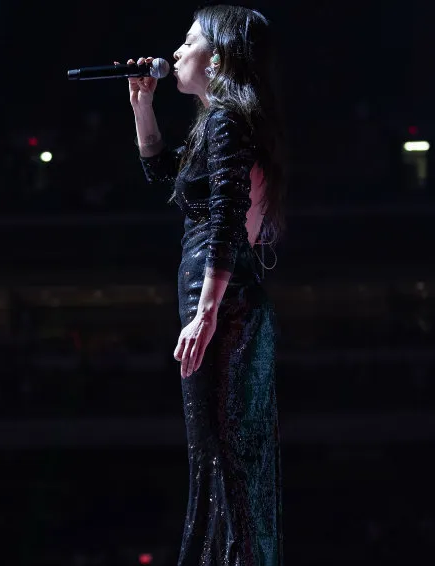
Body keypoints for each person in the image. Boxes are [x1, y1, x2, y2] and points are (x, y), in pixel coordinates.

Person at [123, 5, 286, 565]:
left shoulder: (227, 122)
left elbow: (225, 219)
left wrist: (206, 312)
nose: (175, 52)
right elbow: (164, 173)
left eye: (188, 41)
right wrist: (143, 107)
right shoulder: (221, 123)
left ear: (218, 58)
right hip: (226, 305)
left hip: (224, 307)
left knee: (222, 455)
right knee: (223, 455)